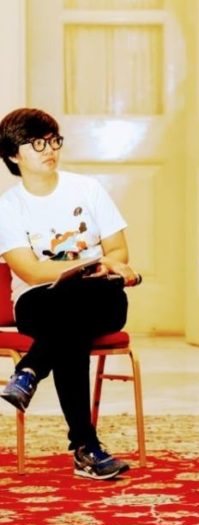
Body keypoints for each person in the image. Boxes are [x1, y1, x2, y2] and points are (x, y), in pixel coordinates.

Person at [0, 108, 140, 480]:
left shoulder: (87, 189)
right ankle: (86, 448)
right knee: (69, 329)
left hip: (100, 297)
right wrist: (95, 262)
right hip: (39, 301)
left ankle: (30, 370)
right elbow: (30, 272)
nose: (50, 149)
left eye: (53, 140)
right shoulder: (8, 207)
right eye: (37, 143)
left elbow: (119, 251)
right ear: (13, 155)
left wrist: (104, 265)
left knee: (72, 318)